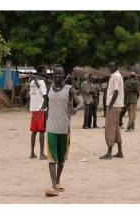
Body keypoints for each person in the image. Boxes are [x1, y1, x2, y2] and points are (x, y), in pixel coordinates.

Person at [44, 67, 83, 197]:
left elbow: (79, 102)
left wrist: (76, 108)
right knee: (52, 158)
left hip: (64, 128)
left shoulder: (69, 89)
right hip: (51, 128)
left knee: (61, 159)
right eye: (55, 74)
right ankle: (54, 186)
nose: (57, 76)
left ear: (63, 75)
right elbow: (47, 106)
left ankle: (58, 181)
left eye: (59, 73)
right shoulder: (49, 88)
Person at [100, 62, 124, 160]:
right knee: (116, 127)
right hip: (117, 106)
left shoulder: (116, 76)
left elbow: (116, 92)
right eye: (109, 66)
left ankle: (109, 153)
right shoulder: (116, 76)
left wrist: (109, 106)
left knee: (110, 128)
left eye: (112, 66)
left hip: (113, 106)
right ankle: (120, 152)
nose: (110, 67)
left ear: (117, 66)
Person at [29, 66, 48, 160]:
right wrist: (45, 107)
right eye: (44, 71)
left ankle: (32, 153)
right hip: (41, 109)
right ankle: (41, 154)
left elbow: (32, 95)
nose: (45, 73)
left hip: (34, 109)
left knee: (34, 132)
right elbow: (45, 96)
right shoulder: (41, 82)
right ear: (41, 72)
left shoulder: (32, 82)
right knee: (42, 131)